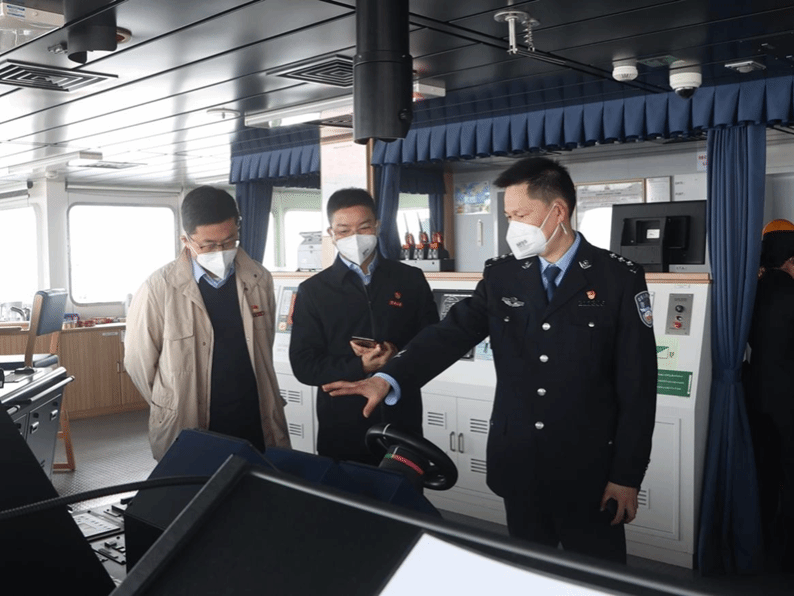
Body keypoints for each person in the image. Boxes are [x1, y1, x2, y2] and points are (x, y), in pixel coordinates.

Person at [323, 158, 658, 564]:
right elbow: (450, 334)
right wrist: (387, 378)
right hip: (520, 463)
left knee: (598, 577)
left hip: (589, 468)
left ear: (558, 211)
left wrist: (626, 476)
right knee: (527, 570)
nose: (512, 226)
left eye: (521, 215)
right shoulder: (503, 275)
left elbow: (638, 386)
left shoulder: (617, 278)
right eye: (508, 216)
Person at [125, 186, 290, 460]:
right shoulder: (158, 288)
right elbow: (138, 363)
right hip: (190, 422)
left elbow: (264, 346)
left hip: (253, 418)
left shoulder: (259, 279)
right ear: (186, 240)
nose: (221, 251)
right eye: (209, 245)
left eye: (229, 241)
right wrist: (171, 404)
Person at [289, 188, 439, 465]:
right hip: (343, 424)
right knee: (348, 491)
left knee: (402, 489)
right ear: (331, 233)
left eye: (364, 227)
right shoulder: (314, 291)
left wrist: (395, 357)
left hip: (401, 418)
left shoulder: (410, 279)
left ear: (377, 226)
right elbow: (304, 365)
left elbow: (432, 344)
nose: (355, 237)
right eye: (344, 230)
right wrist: (360, 366)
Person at [745, 219, 794, 571]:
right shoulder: (791, 293)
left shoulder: (750, 291)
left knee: (764, 471)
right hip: (788, 399)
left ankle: (759, 543)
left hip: (755, 395)